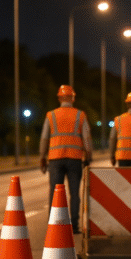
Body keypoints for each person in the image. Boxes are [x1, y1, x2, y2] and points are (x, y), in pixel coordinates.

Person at [39, 84, 93, 234]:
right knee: (74, 193)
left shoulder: (51, 115)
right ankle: (74, 225)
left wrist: (42, 157)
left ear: (59, 98)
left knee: (55, 192)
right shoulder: (80, 115)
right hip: (74, 159)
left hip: (55, 159)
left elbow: (44, 137)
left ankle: (54, 225)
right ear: (73, 98)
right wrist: (88, 156)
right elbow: (87, 138)